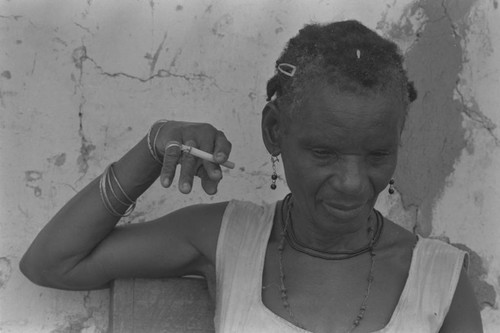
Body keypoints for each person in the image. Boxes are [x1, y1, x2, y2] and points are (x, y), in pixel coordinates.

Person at [20, 20, 482, 333]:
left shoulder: (437, 279)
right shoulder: (229, 237)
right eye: (323, 152)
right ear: (274, 131)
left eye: (378, 154)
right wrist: (152, 146)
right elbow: (52, 263)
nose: (352, 182)